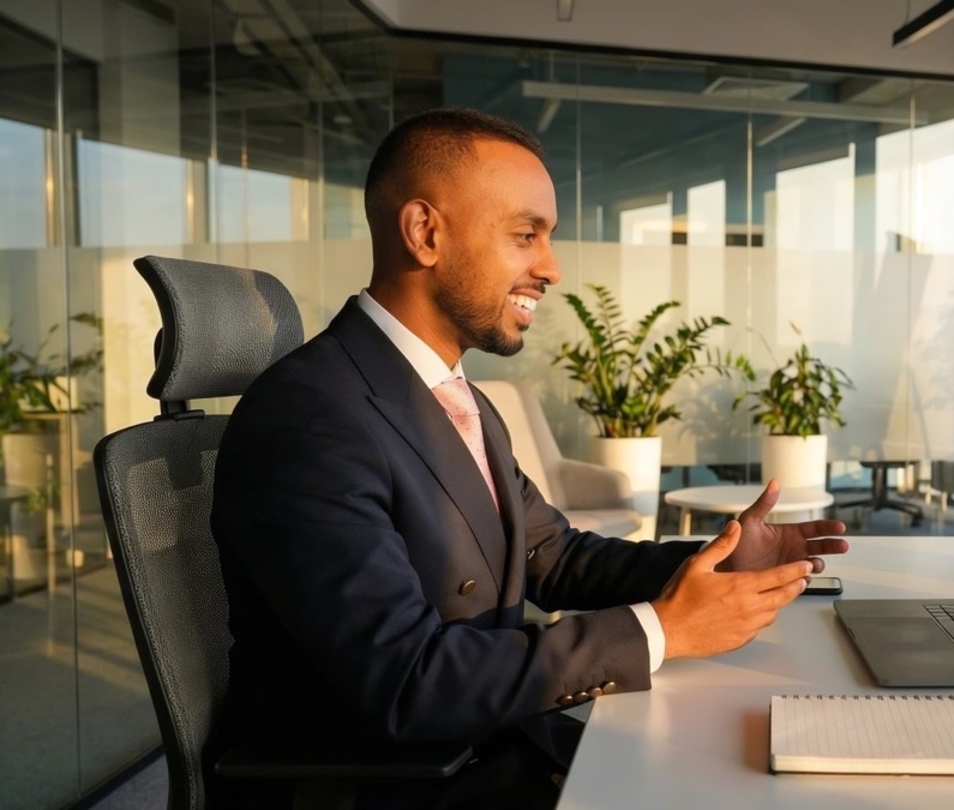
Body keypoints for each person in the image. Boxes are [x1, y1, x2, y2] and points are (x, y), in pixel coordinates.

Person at [206, 107, 848, 808]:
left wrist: (719, 559)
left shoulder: (456, 398)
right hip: (407, 784)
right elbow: (408, 680)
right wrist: (662, 630)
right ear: (425, 233)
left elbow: (555, 558)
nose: (551, 267)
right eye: (525, 235)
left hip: (494, 742)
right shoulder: (308, 417)